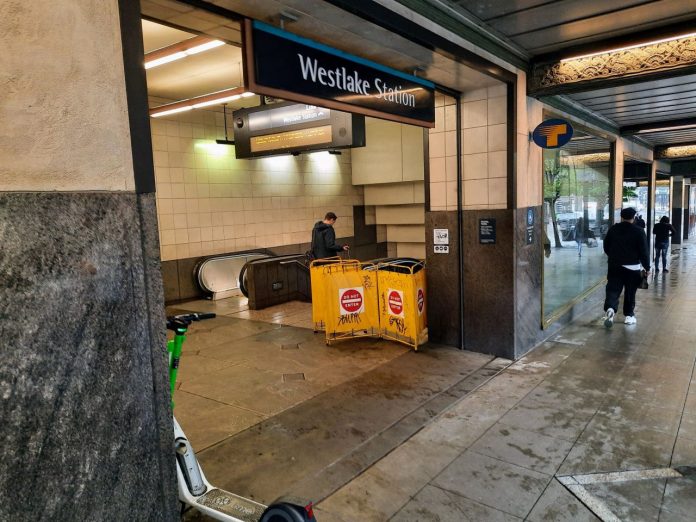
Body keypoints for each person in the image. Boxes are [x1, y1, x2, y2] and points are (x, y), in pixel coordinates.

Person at [601, 207, 650, 327]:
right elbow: (644, 251)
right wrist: (647, 267)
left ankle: (611, 309)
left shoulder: (613, 229)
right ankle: (629, 316)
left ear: (621, 217)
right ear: (633, 218)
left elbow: (606, 245)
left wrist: (613, 257)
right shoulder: (639, 231)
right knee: (630, 291)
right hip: (632, 267)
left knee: (613, 289)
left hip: (615, 265)